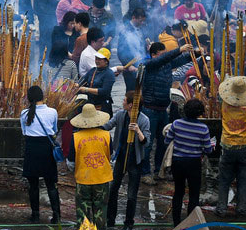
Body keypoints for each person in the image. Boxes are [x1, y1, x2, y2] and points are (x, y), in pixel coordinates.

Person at [140, 42, 197, 185]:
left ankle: (159, 171)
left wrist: (195, 53)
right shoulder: (150, 64)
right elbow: (163, 59)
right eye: (162, 53)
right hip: (149, 110)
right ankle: (145, 173)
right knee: (147, 142)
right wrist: (179, 49)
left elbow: (182, 60)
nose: (165, 56)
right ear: (153, 55)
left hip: (162, 109)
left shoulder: (166, 64)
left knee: (163, 142)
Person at [215, 60, 246, 218]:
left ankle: (221, 209)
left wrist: (227, 80)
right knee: (243, 181)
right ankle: (241, 209)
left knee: (224, 180)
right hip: (245, 148)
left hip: (227, 147)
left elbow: (221, 92)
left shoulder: (224, 103)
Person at [102, 91, 150, 230]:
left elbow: (146, 143)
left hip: (135, 160)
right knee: (113, 189)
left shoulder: (143, 120)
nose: (122, 102)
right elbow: (108, 126)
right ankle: (110, 220)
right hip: (121, 157)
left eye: (124, 100)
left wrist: (138, 131)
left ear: (130, 105)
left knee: (131, 195)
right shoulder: (120, 115)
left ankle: (129, 223)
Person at [165, 99, 215, 226]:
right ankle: (191, 223)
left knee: (179, 192)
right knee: (194, 194)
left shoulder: (176, 124)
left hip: (178, 162)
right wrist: (212, 146)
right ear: (199, 113)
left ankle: (176, 222)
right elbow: (208, 150)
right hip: (193, 163)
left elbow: (167, 141)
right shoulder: (203, 128)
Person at [20, 85, 60, 223]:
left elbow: (24, 132)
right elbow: (54, 130)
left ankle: (35, 215)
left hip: (32, 149)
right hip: (47, 150)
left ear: (29, 98)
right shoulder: (52, 112)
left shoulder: (24, 113)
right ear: (42, 97)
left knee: (33, 185)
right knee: (51, 184)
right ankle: (56, 216)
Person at [69, 104, 112, 230]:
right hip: (102, 179)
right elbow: (110, 155)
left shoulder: (75, 137)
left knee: (83, 214)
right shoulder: (106, 135)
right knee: (101, 212)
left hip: (83, 180)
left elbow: (71, 162)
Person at [78, 48, 115, 115]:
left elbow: (104, 91)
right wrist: (76, 85)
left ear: (106, 61)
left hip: (103, 106)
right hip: (91, 104)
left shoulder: (109, 74)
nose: (97, 61)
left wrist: (86, 89)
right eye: (96, 58)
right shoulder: (92, 70)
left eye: (99, 59)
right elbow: (82, 81)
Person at [117, 8, 147, 92]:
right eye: (140, 21)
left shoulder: (141, 28)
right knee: (131, 92)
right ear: (134, 17)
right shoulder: (125, 31)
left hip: (141, 65)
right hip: (130, 68)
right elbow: (121, 52)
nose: (141, 23)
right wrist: (128, 65)